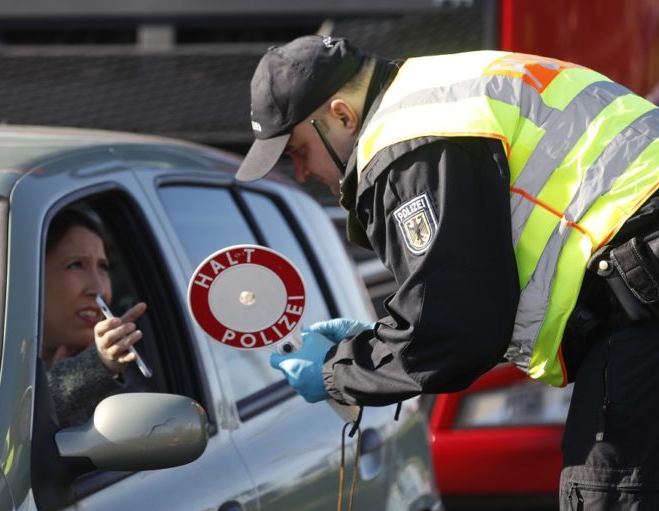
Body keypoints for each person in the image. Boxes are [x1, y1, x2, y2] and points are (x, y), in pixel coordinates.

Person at [235, 34, 659, 509]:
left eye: (297, 151)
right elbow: (477, 297)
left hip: (641, 295)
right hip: (641, 278)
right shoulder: (440, 90)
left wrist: (339, 371)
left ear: (341, 115)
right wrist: (387, 341)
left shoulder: (404, 139)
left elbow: (457, 326)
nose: (302, 173)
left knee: (610, 491)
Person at [43, 208, 150, 427]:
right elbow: (8, 428)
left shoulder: (121, 377)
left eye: (103, 267)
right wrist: (88, 370)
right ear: (30, 274)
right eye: (75, 265)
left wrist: (100, 367)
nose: (99, 289)